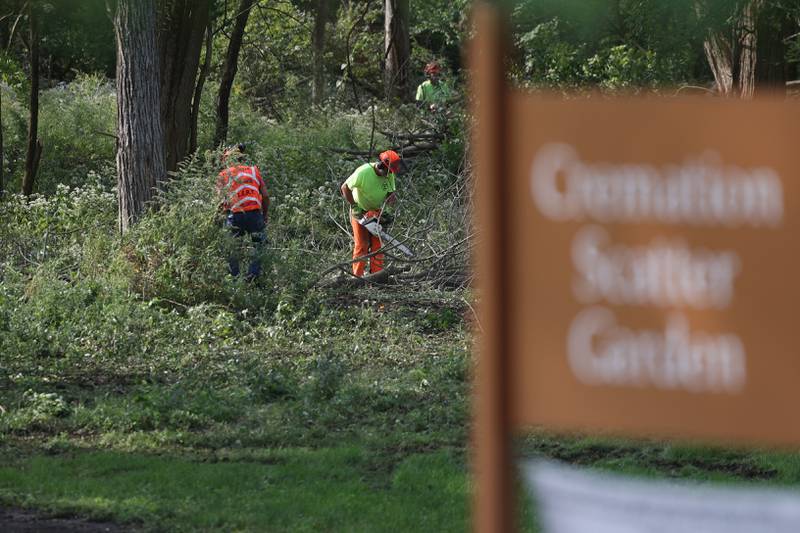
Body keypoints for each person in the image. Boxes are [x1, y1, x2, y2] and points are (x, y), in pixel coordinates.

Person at [340, 150, 404, 277]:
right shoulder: (364, 172)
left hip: (376, 212)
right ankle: (356, 277)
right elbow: (344, 187)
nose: (389, 174)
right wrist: (354, 206)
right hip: (360, 212)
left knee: (378, 246)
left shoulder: (389, 174)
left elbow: (390, 194)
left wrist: (390, 204)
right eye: (388, 171)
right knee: (361, 245)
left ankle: (376, 276)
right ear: (381, 166)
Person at [217, 143, 270, 280]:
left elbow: (220, 201)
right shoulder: (253, 170)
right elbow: (265, 196)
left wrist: (216, 219)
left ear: (226, 159)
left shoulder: (223, 174)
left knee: (231, 248)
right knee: (260, 245)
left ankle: (235, 280)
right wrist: (264, 215)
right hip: (254, 214)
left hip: (234, 216)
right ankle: (252, 275)